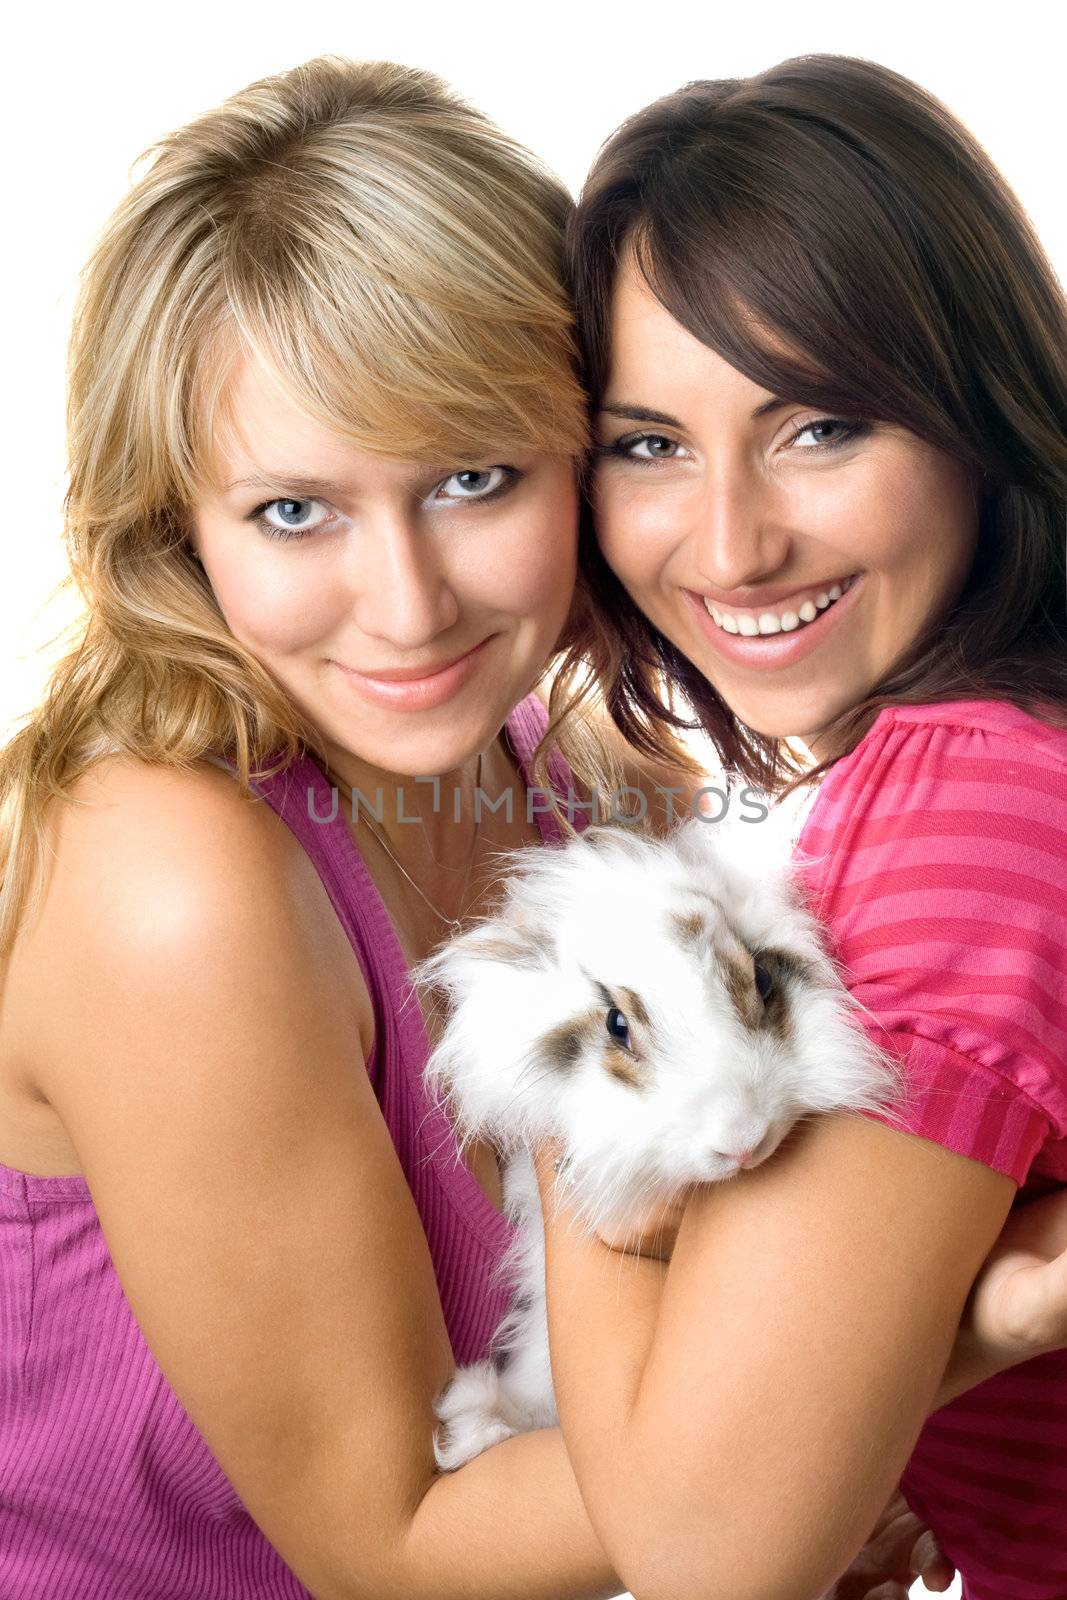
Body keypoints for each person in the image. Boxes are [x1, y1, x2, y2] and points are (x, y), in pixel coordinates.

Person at [0, 49, 1056, 1600]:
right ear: (177, 528)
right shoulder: (176, 877)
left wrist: (843, 1463)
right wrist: (944, 1347)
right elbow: (396, 1547)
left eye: (474, 478)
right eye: (295, 511)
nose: (409, 605)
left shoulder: (577, 785)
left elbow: (656, 1353)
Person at [533, 52, 1067, 1600]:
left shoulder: (977, 797)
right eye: (647, 446)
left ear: (978, 417)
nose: (731, 543)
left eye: (819, 426)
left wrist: (590, 1086)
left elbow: (706, 1558)